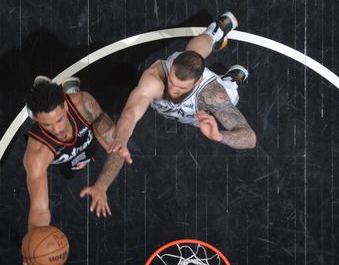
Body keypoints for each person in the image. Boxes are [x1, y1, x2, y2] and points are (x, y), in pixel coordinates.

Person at [23, 76, 131, 265]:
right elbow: (39, 209)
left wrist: (101, 185)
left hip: (83, 133)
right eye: (47, 125)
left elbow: (117, 148)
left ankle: (66, 90)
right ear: (36, 120)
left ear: (65, 107)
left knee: (89, 149)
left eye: (58, 119)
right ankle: (46, 89)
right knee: (70, 169)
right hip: (61, 157)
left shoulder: (84, 104)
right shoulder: (37, 154)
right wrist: (34, 245)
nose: (57, 129)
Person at [110, 12, 257, 158]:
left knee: (231, 96)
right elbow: (131, 112)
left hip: (202, 108)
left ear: (198, 82)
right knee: (192, 54)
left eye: (181, 88)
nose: (172, 90)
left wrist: (219, 136)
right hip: (185, 89)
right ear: (173, 64)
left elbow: (250, 138)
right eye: (172, 82)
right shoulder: (155, 79)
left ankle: (231, 80)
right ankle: (214, 32)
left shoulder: (212, 94)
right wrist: (121, 139)